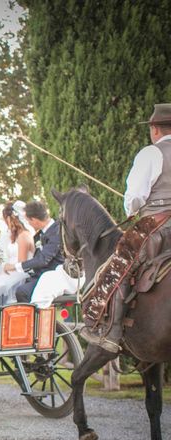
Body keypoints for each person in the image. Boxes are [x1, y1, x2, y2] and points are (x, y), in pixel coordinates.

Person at [80, 103, 171, 352]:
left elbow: (134, 199)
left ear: (154, 129)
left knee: (119, 265)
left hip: (158, 227)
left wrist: (131, 210)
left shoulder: (151, 154)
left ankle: (111, 330)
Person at [3, 200, 64, 303]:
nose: (29, 224)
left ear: (35, 220)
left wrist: (14, 266)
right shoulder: (43, 232)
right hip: (40, 274)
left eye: (29, 221)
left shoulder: (57, 231)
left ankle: (36, 319)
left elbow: (42, 260)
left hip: (53, 276)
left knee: (21, 291)